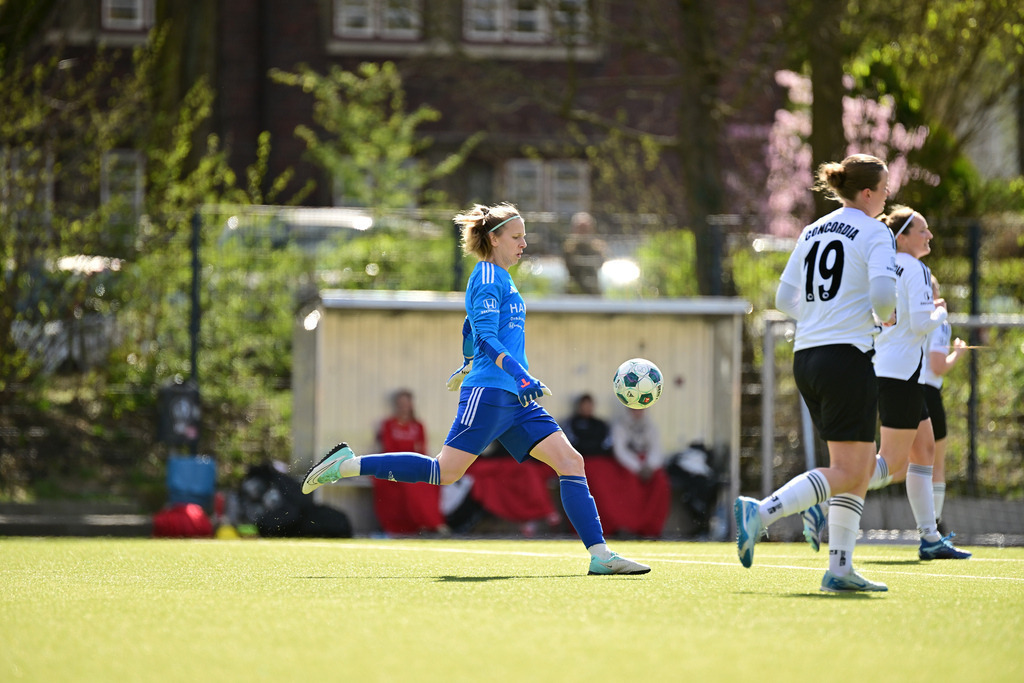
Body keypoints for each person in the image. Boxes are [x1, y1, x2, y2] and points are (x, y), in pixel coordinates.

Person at [302, 202, 650, 575]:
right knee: (444, 472)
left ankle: (600, 556)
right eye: (516, 237)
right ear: (494, 238)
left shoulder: (503, 278)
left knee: (571, 461)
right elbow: (484, 336)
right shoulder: (485, 276)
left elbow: (474, 332)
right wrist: (517, 374)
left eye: (525, 237)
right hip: (490, 394)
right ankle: (346, 464)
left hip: (517, 399)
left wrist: (482, 366)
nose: (524, 244)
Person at [735, 153, 897, 592]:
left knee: (856, 467)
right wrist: (884, 315)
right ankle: (762, 512)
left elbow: (786, 299)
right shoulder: (876, 231)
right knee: (850, 470)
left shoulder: (813, 229)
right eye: (884, 189)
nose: (887, 197)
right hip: (846, 357)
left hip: (808, 356)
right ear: (867, 193)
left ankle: (840, 567)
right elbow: (884, 298)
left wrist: (826, 313)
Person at [856, 208, 969, 559]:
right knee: (890, 463)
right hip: (901, 375)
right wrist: (941, 312)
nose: (930, 235)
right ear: (902, 237)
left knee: (924, 451)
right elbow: (922, 323)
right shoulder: (916, 268)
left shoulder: (884, 267)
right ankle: (825, 493)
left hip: (891, 371)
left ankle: (930, 537)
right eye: (923, 229)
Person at [921, 275, 968, 532]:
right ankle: (934, 527)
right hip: (928, 394)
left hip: (905, 390)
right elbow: (938, 366)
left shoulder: (908, 314)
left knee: (895, 464)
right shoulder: (938, 320)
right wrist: (958, 354)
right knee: (934, 465)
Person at [371, 390, 448, 536]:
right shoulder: (389, 424)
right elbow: (388, 447)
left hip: (413, 464)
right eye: (401, 404)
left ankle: (431, 522)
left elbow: (422, 449)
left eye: (406, 403)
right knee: (404, 484)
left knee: (428, 483)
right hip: (392, 464)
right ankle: (405, 525)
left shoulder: (418, 425)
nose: (404, 407)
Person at [563, 211, 607, 295]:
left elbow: (601, 264)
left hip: (593, 291)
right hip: (573, 291)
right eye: (580, 228)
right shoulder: (568, 248)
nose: (582, 232)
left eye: (585, 229)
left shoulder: (598, 247)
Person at [563, 393, 613, 458]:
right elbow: (569, 443)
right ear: (579, 406)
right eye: (584, 405)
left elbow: (607, 443)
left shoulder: (601, 424)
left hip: (597, 459)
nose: (587, 408)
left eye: (589, 405)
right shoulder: (570, 423)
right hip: (578, 458)